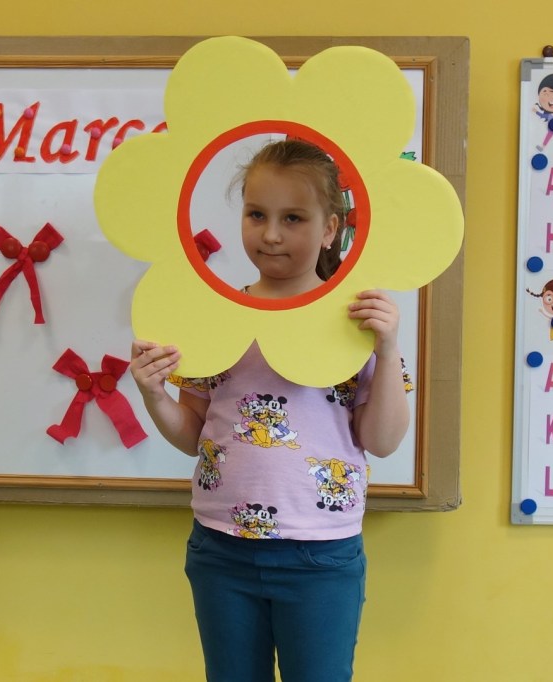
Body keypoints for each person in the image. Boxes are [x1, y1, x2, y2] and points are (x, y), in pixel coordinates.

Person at [129, 139, 411, 682]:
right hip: (221, 549)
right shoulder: (217, 316)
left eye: (294, 218)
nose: (272, 234)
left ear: (330, 228)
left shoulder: (357, 320)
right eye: (256, 214)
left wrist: (388, 347)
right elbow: (193, 435)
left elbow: (382, 440)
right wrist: (153, 394)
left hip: (320, 553)